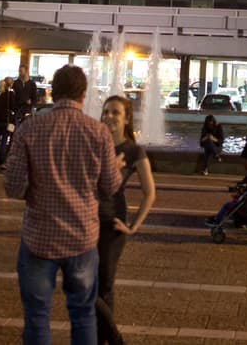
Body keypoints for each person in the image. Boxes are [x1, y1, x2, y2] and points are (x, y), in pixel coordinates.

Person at [4, 64, 121, 345]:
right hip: (82, 238)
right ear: (83, 94)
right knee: (83, 315)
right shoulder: (99, 132)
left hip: (39, 238)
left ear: (52, 93)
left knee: (37, 316)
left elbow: (13, 187)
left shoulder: (29, 129)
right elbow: (110, 187)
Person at [96, 96, 156, 345]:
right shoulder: (95, 144)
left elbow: (149, 192)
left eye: (115, 112)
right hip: (86, 222)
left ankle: (103, 339)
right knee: (84, 284)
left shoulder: (133, 151)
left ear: (127, 119)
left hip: (112, 224)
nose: (109, 116)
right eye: (106, 112)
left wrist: (133, 227)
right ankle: (114, 339)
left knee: (105, 285)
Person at [0, 77, 16, 168]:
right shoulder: (10, 94)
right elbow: (13, 107)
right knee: (4, 142)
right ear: (11, 84)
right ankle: (2, 162)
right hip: (6, 121)